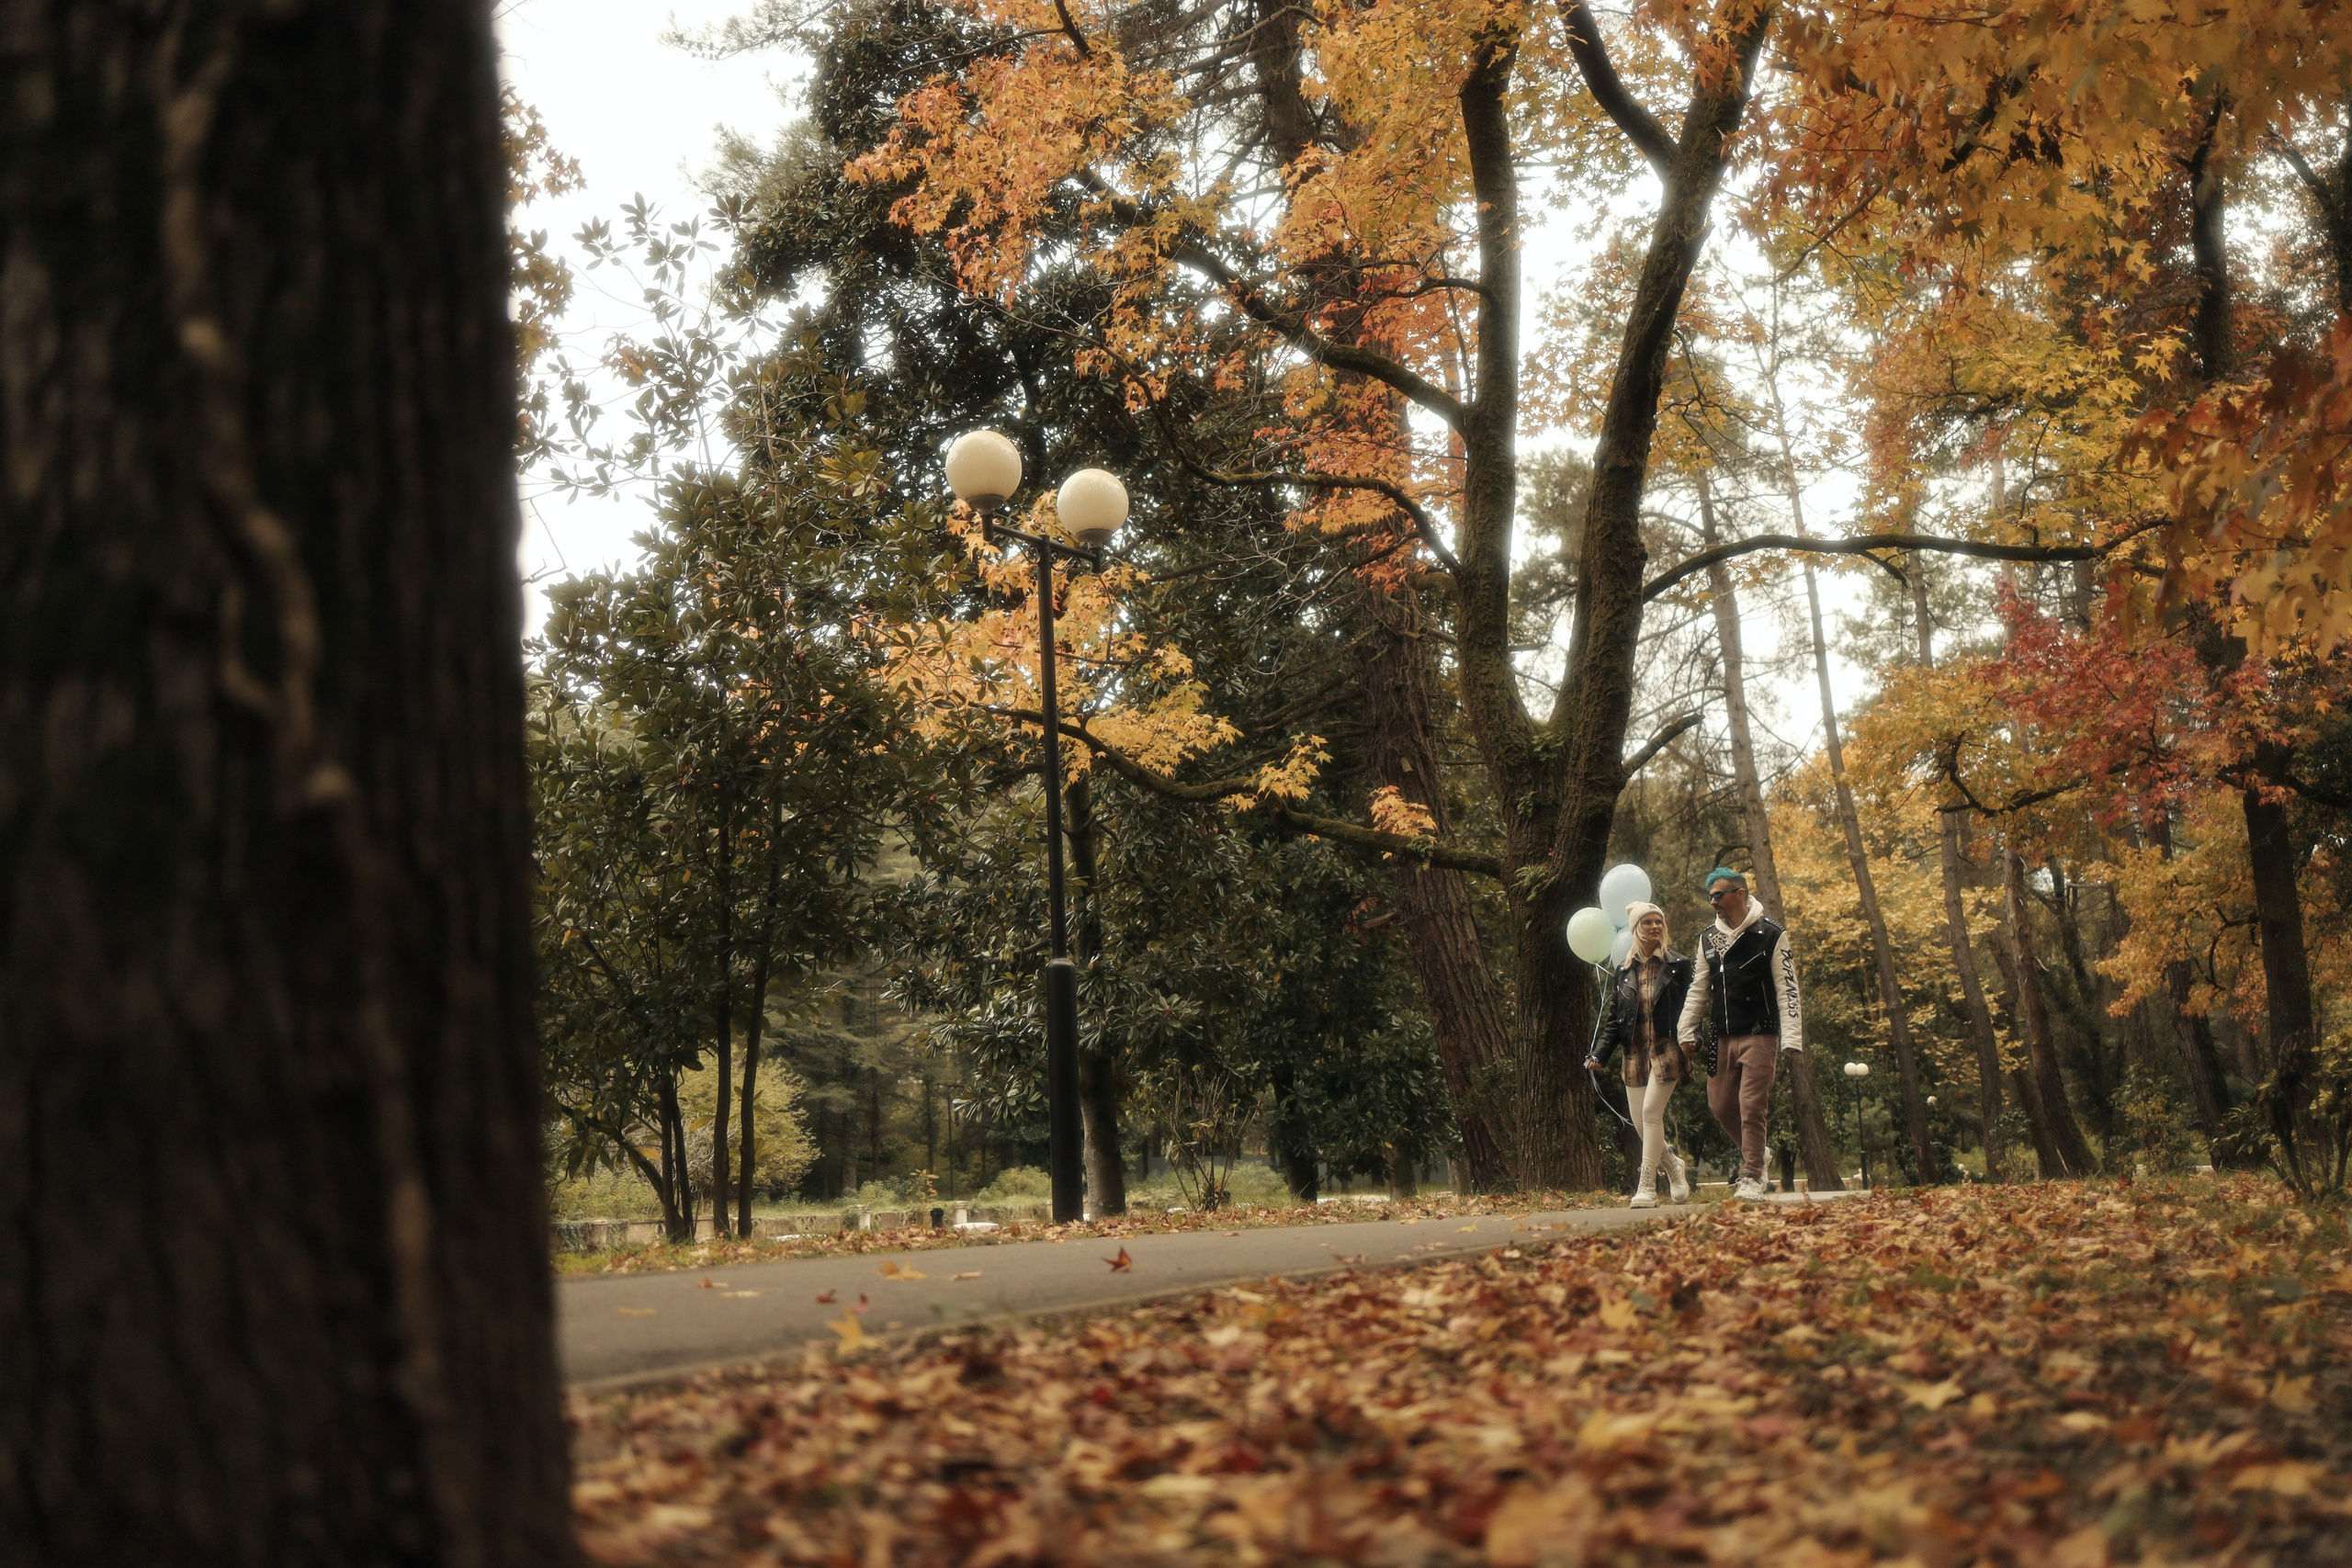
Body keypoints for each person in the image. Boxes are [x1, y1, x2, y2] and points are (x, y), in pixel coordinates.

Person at [1677, 868, 1804, 1201]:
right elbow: (1698, 989)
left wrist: (1791, 1037)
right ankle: (1759, 1153)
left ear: (1741, 893)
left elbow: (1788, 990)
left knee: (1751, 1105)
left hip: (1761, 1034)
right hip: (1721, 1037)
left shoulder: (1772, 935)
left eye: (1719, 895)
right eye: (1710, 897)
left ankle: (1751, 1176)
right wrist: (1686, 1029)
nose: (1714, 902)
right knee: (1719, 1106)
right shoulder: (1708, 939)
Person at [1583, 902, 1693, 1208]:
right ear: (1635, 929)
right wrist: (1600, 1054)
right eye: (1647, 922)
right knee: (1642, 1123)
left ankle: (1647, 1186)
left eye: (1659, 921)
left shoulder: (1678, 964)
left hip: (1667, 1049)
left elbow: (1692, 1007)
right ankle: (1672, 1165)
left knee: (1649, 1114)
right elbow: (1615, 1020)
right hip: (1634, 1054)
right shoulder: (1624, 971)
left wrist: (1692, 1037)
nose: (1655, 926)